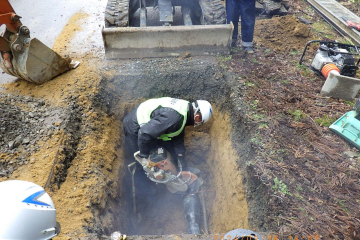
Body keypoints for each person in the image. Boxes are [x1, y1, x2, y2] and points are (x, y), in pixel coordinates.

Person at [123, 97, 213, 172]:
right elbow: (144, 134)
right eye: (200, 122)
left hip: (149, 127)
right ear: (197, 117)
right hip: (135, 127)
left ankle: (173, 171)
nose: (196, 125)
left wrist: (182, 164)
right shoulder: (174, 118)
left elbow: (178, 137)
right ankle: (149, 191)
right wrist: (144, 157)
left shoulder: (184, 110)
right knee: (144, 168)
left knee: (168, 150)